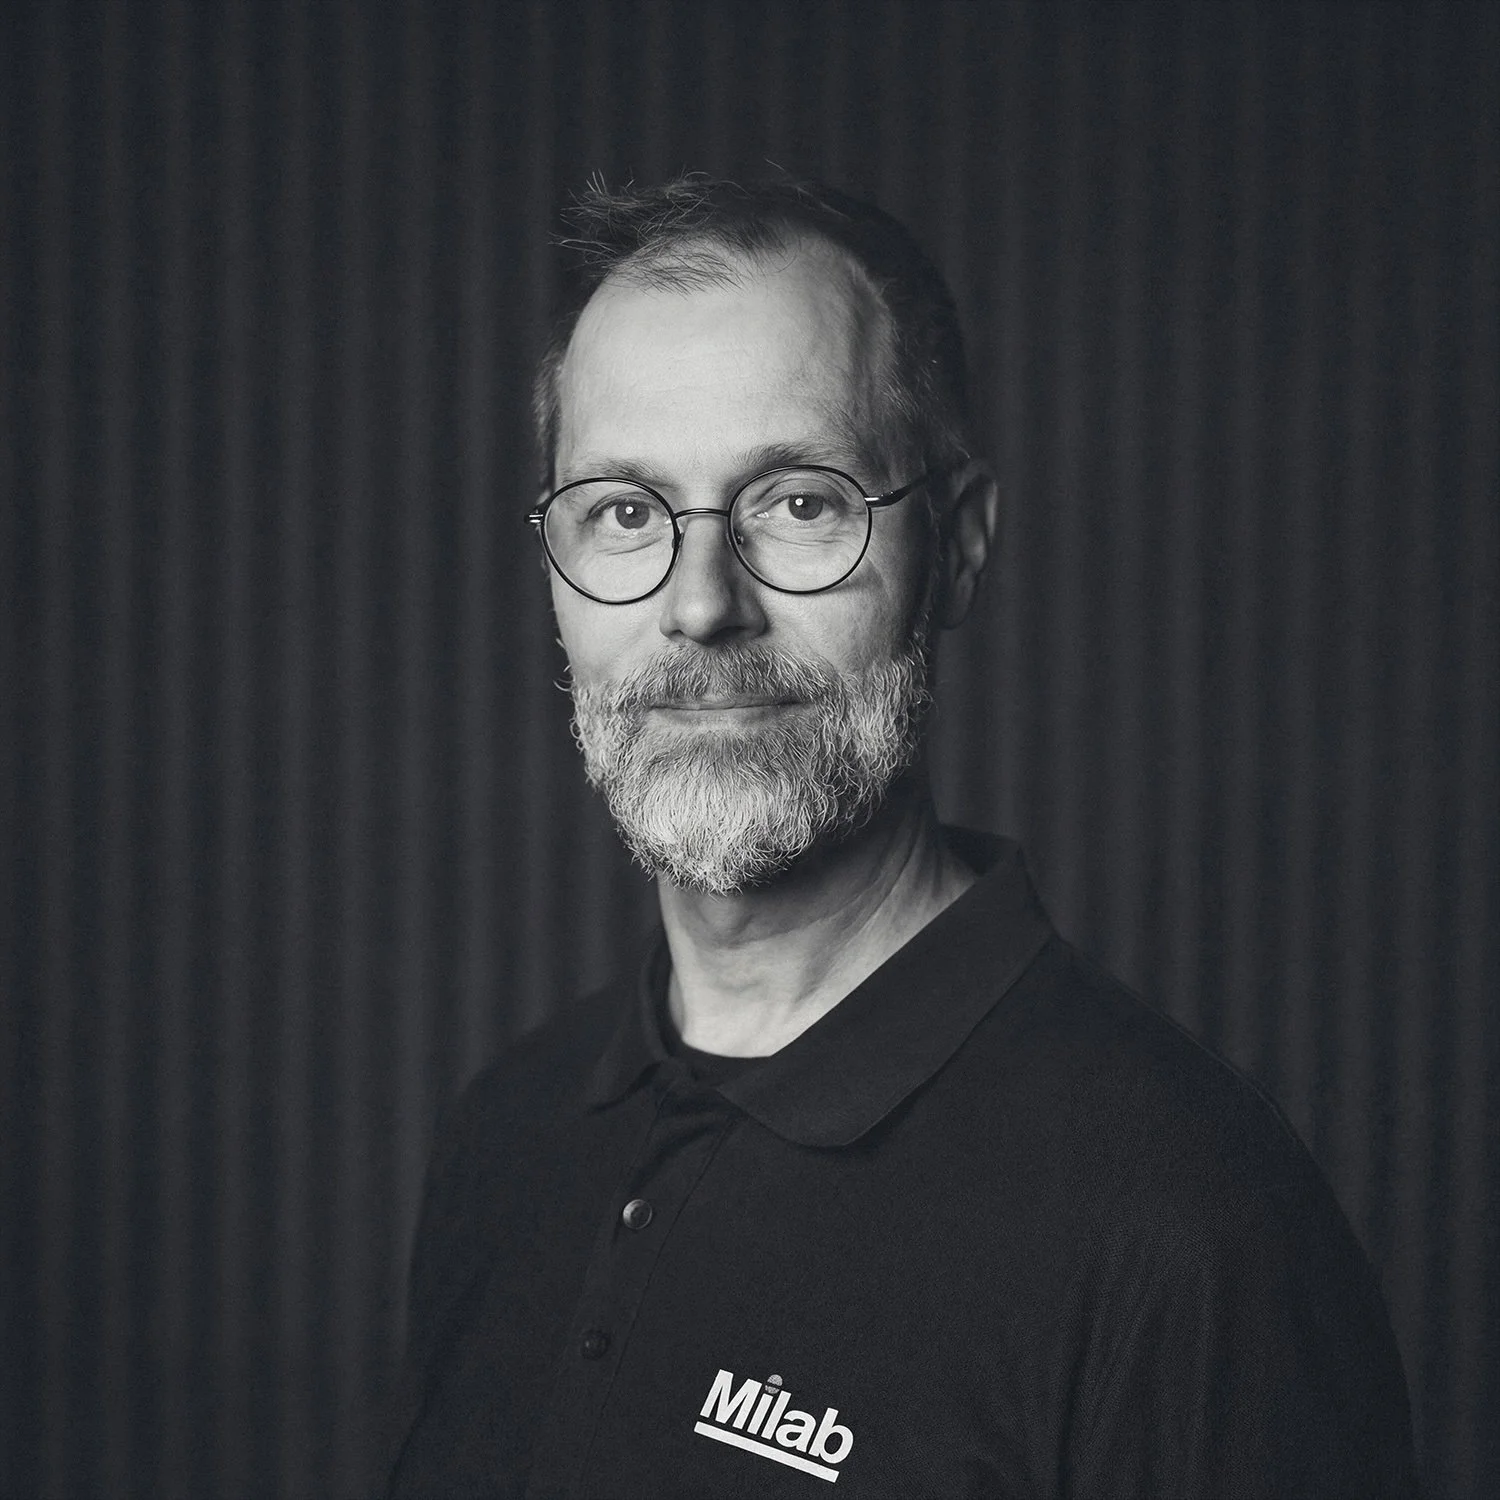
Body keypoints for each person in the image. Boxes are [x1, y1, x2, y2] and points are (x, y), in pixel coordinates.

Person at [385, 175, 1418, 1499]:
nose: (702, 606)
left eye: (799, 502)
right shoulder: (506, 1140)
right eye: (625, 513)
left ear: (961, 546)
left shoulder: (1187, 1234)